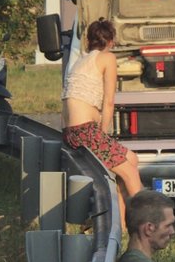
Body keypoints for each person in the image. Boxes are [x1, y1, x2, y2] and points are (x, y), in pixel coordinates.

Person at [61, 19, 143, 223]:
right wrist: (104, 133)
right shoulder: (107, 58)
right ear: (111, 41)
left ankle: (123, 225)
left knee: (131, 159)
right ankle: (147, 223)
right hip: (86, 131)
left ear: (89, 40)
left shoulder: (80, 60)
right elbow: (109, 101)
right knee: (130, 172)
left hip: (72, 132)